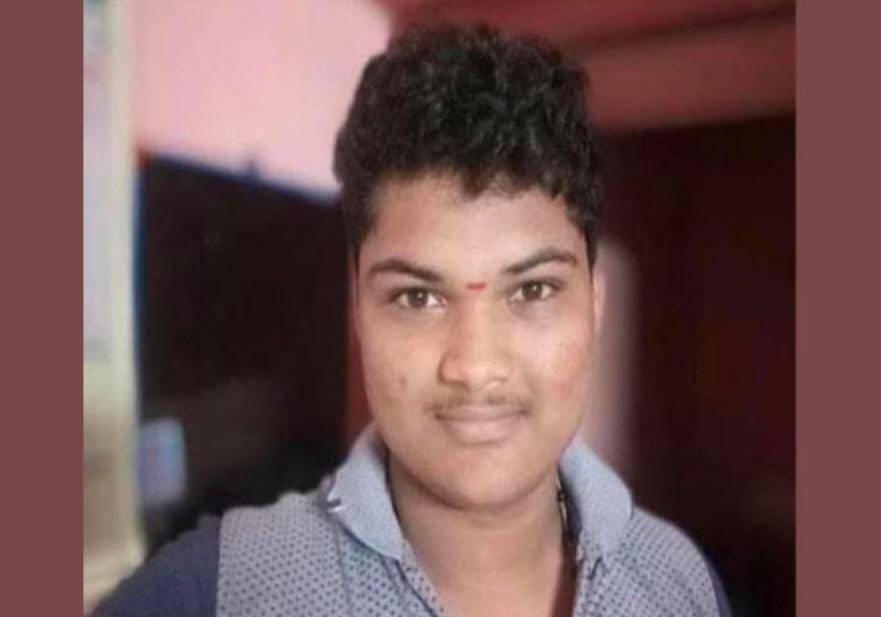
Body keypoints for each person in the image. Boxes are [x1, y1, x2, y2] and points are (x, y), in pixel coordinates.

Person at [94, 24, 731, 617]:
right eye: (419, 297)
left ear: (594, 306)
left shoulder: (678, 582)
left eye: (532, 289)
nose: (475, 367)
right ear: (358, 311)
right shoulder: (219, 591)